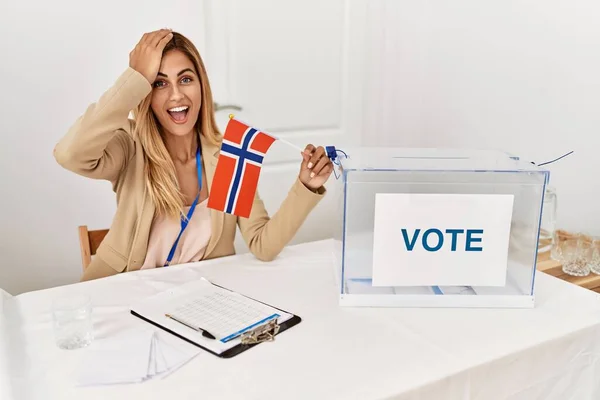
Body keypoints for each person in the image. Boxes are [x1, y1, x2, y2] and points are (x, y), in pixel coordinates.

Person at [54, 29, 333, 281]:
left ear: (201, 86)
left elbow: (263, 244)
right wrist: (135, 79)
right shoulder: (130, 146)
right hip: (124, 299)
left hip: (200, 305)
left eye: (185, 79)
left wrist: (306, 186)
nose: (176, 96)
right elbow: (70, 154)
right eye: (159, 84)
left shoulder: (228, 157)